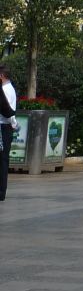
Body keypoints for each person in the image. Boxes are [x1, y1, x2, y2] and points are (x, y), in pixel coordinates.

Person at [0, 64, 17, 202]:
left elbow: (8, 111)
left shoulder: (5, 90)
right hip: (6, 127)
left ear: (1, 76)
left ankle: (1, 191)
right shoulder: (9, 88)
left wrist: (13, 123)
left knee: (2, 160)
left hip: (3, 127)